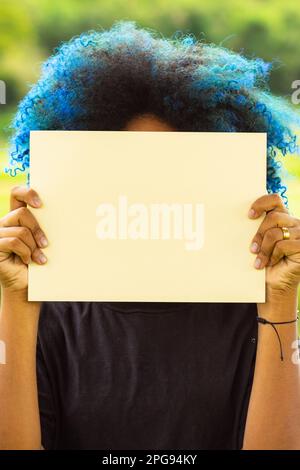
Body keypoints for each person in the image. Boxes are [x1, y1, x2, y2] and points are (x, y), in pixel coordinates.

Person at [0, 20, 300, 450]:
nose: (147, 190)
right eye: (124, 168)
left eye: (171, 168)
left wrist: (280, 302)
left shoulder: (251, 308)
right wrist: (18, 301)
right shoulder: (48, 310)